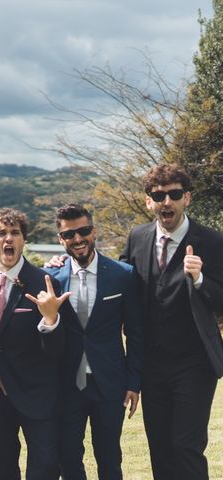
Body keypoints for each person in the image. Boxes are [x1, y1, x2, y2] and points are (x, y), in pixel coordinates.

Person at [120, 164, 223, 479]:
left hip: (194, 363)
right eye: (158, 195)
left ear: (187, 198)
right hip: (152, 364)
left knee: (186, 446)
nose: (167, 202)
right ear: (149, 200)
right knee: (160, 447)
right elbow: (116, 280)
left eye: (174, 194)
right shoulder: (137, 237)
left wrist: (200, 278)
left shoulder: (212, 241)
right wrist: (63, 263)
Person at [43, 203, 143, 479]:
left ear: (94, 230)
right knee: (68, 459)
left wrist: (134, 382)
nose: (77, 239)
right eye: (69, 235)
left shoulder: (123, 275)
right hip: (66, 384)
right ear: (60, 239)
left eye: (83, 231)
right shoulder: (51, 278)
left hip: (110, 383)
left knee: (110, 458)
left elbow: (135, 333)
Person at [0, 207, 69, 480]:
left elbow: (58, 350)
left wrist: (50, 320)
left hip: (38, 394)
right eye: (0, 234)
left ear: (24, 239)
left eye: (15, 233)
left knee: (47, 467)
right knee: (2, 469)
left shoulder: (45, 282)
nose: (8, 239)